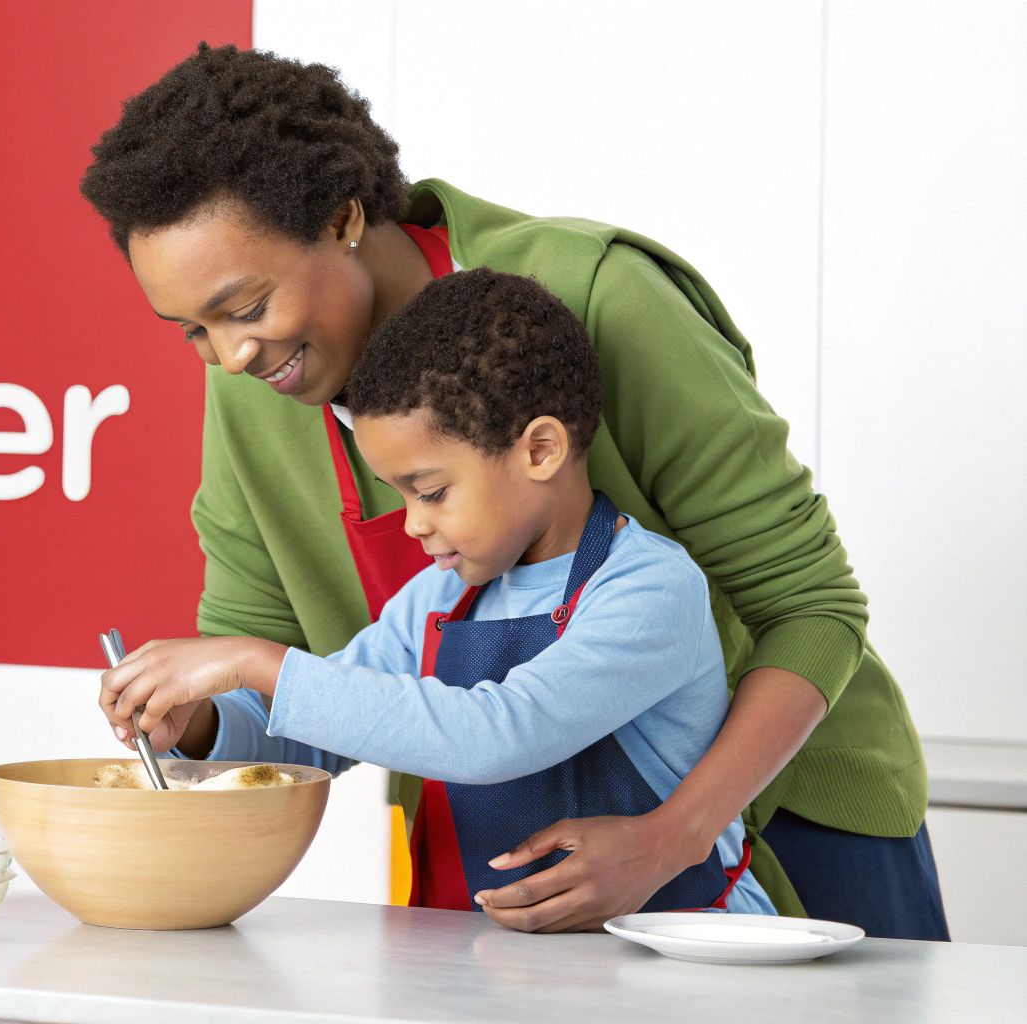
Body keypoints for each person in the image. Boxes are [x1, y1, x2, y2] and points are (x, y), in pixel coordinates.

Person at [77, 43, 947, 938]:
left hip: (778, 813)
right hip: (527, 866)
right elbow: (289, 682)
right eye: (192, 331)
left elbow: (813, 608)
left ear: (341, 218)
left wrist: (672, 838)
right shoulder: (253, 391)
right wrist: (197, 724)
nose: (231, 357)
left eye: (247, 307)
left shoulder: (601, 298)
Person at [100, 267, 776, 917]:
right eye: (399, 494)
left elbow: (495, 735)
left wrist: (255, 660)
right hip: (499, 966)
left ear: (540, 451)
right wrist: (200, 725)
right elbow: (309, 745)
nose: (414, 522)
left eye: (429, 491)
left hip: (682, 955)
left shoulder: (647, 590)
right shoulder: (438, 600)